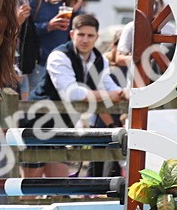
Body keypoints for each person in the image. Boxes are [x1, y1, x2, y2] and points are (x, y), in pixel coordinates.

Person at [31, 13, 125, 177]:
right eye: (81, 34)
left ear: (97, 37)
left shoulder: (99, 59)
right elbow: (72, 93)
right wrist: (110, 94)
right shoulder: (59, 55)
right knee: (30, 186)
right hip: (39, 122)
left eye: (90, 35)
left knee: (59, 188)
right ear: (72, 34)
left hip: (63, 125)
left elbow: (110, 86)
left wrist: (123, 93)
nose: (85, 39)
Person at [25, 0, 85, 92]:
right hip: (39, 63)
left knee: (62, 106)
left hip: (64, 63)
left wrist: (77, 10)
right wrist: (48, 26)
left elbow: (80, 33)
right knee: (36, 105)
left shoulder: (71, 0)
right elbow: (26, 30)